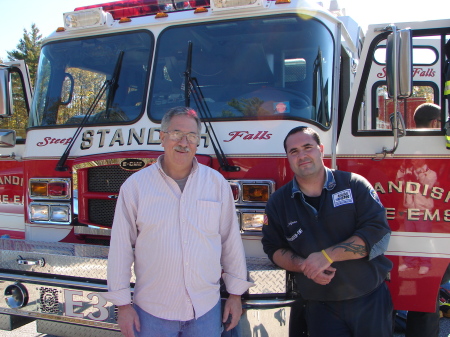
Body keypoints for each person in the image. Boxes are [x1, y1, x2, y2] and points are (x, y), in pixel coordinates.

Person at [101, 106, 253, 337]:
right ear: (162, 137)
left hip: (205, 311)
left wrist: (235, 295)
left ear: (198, 142)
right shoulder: (135, 187)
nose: (184, 142)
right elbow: (120, 249)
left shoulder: (217, 184)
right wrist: (123, 305)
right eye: (176, 134)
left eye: (192, 136)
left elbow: (230, 242)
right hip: (152, 314)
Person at [262, 126, 393, 337]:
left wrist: (326, 256)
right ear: (287, 157)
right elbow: (272, 248)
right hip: (319, 307)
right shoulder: (278, 203)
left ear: (321, 150)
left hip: (369, 299)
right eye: (293, 151)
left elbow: (378, 233)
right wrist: (305, 266)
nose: (302, 155)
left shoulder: (354, 185)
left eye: (308, 147)